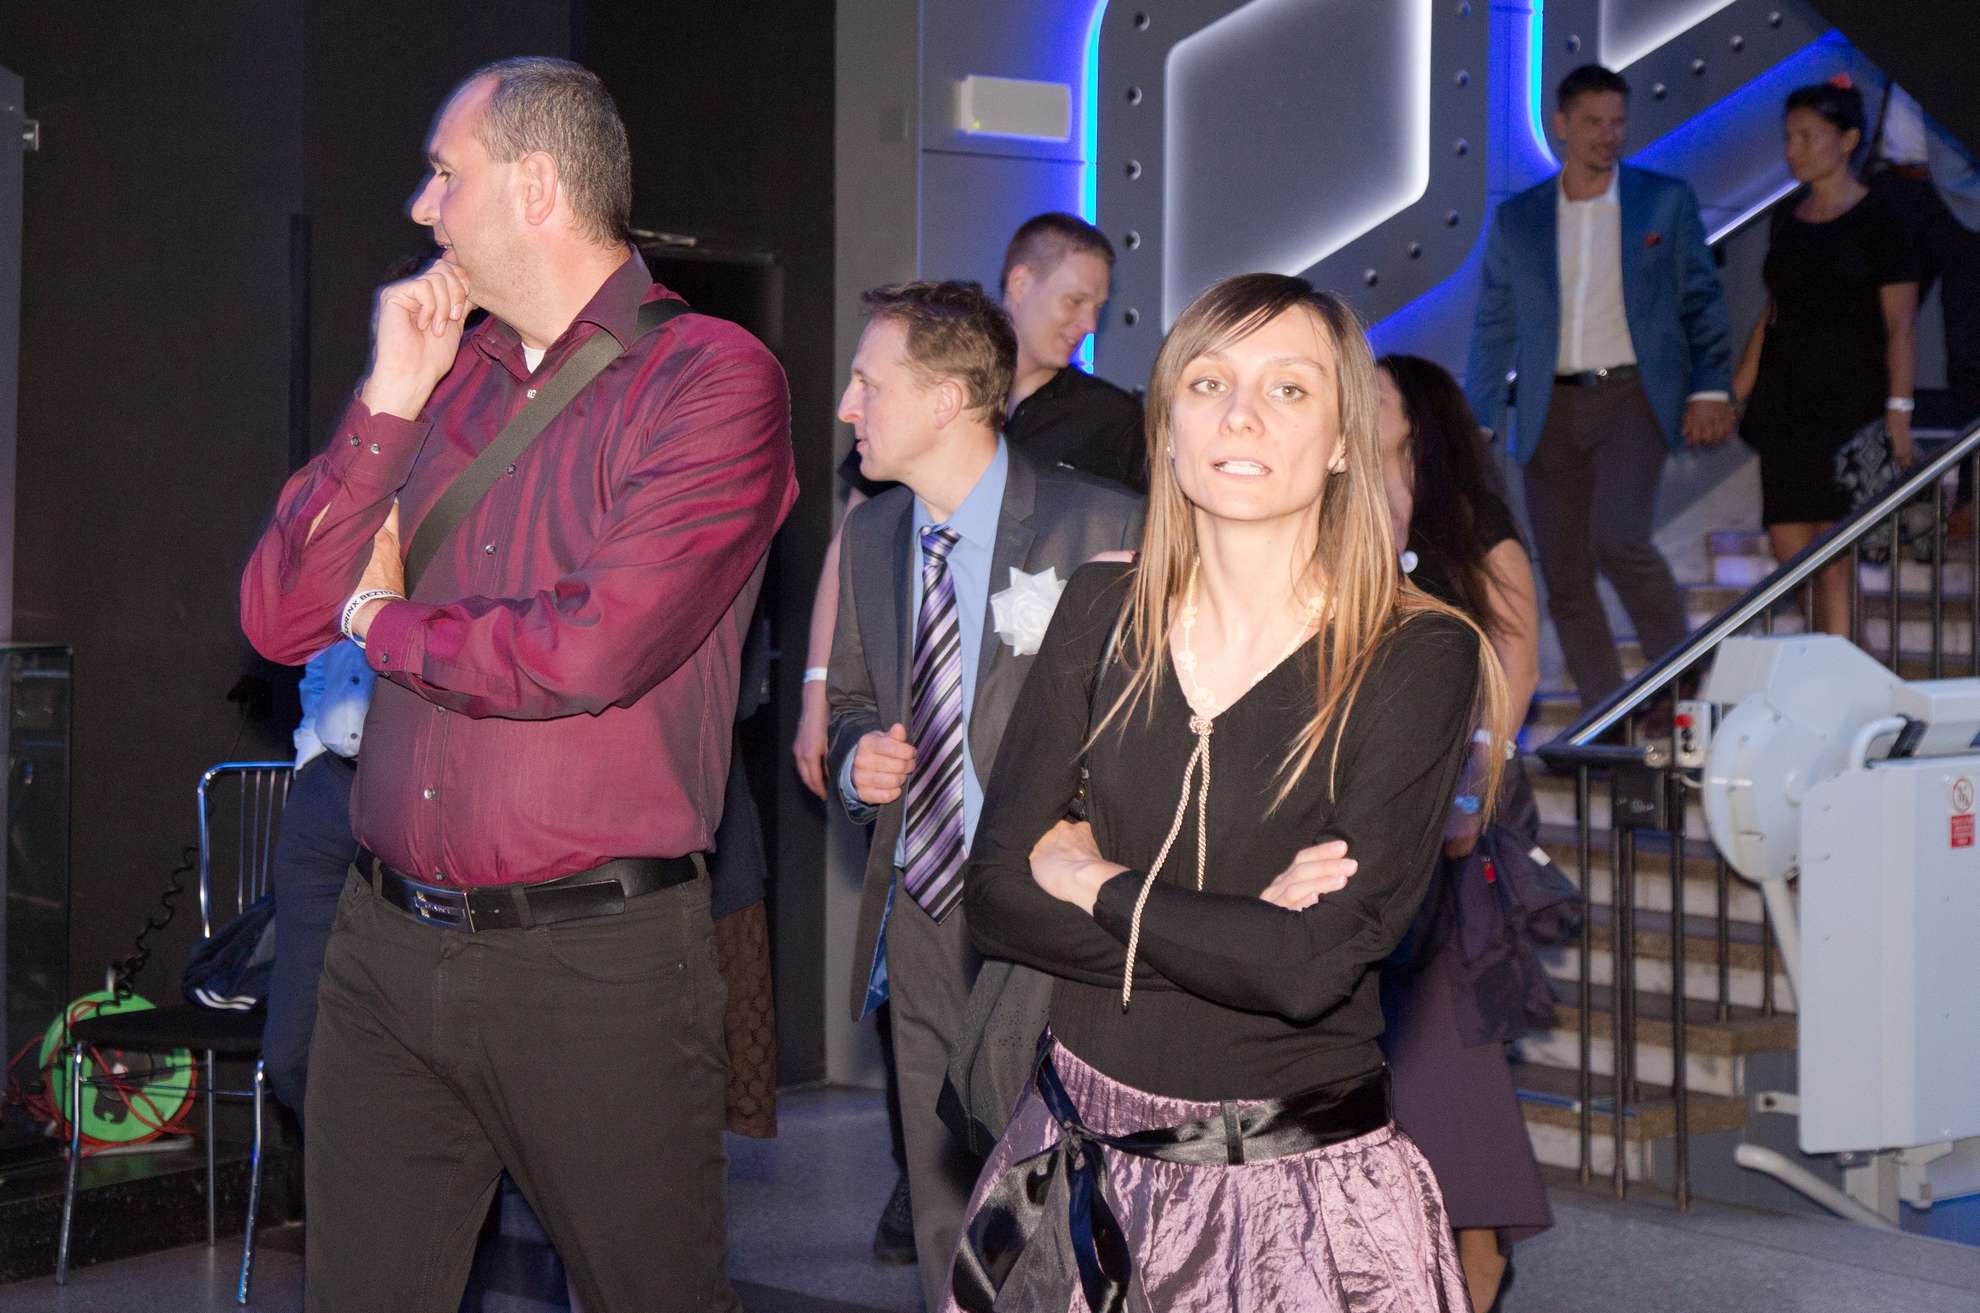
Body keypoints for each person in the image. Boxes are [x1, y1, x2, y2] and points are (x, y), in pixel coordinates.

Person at [239, 57, 795, 1313]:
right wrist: (387, 398)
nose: (422, 206)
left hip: (593, 962)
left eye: (447, 174)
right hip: (386, 947)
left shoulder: (713, 380)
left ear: (536, 186)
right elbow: (277, 614)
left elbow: (588, 649)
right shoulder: (438, 374)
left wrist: (380, 620)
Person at [950, 273, 1509, 1312]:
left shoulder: (1414, 651)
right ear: (1167, 424)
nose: (1240, 415)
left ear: (1341, 440)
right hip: (1070, 1165)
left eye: (1289, 389)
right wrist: (1242, 932)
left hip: (1289, 1198)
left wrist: (1095, 879)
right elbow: (994, 896)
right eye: (1208, 383)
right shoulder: (1101, 606)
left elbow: (1312, 967)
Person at [790, 212, 1145, 1265]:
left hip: (1054, 913)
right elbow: (853, 699)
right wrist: (856, 758)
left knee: (1071, 1193)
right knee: (944, 1191)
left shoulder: (1102, 525)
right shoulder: (872, 532)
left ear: (946, 399)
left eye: (870, 383)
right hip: (920, 908)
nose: (848, 406)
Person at [1467, 63, 1735, 705]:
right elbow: (1495, 324)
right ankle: (1607, 714)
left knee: (1618, 538)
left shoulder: (1662, 201)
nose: (1608, 135)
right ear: (1561, 125)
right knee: (1563, 572)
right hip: (1548, 407)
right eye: (1592, 122)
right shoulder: (1519, 219)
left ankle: (1683, 687)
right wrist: (1477, 420)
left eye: (1617, 122)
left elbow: (1702, 300)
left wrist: (1711, 386)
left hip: (1632, 397)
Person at [1376, 354, 1550, 1312]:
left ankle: (1478, 1249)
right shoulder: (1348, 505)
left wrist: (1475, 785)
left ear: (1419, 412)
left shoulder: (1467, 519)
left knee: (1446, 1036)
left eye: (1376, 389)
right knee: (1408, 1049)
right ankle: (1448, 1249)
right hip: (1377, 801)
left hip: (1458, 806)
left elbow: (1516, 659)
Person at [1733, 78, 1920, 637]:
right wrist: (1738, 388)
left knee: (1834, 552)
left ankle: (1841, 666)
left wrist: (1899, 410)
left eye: (1807, 136)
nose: (1793, 149)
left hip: (1849, 400)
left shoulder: (1884, 215)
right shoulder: (1786, 219)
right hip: (1785, 400)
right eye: (1789, 137)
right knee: (1789, 547)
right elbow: (1774, 310)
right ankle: (1837, 659)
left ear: (1848, 140)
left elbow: (1900, 323)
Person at [261, 639, 372, 1119]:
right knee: (292, 1051)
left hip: (412, 793)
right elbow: (321, 661)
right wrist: (309, 757)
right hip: (326, 788)